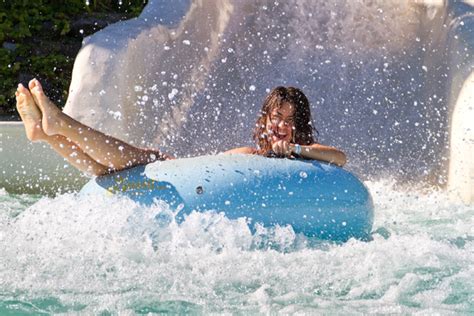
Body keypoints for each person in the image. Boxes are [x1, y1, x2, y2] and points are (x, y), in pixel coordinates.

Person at [15, 79, 346, 177]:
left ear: (298, 127)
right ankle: (57, 127)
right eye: (276, 118)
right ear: (266, 119)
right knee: (120, 165)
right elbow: (213, 165)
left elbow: (340, 157)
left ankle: (49, 134)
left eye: (289, 122)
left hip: (182, 176)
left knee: (105, 172)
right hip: (179, 170)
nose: (280, 127)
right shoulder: (258, 154)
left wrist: (295, 149)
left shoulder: (304, 159)